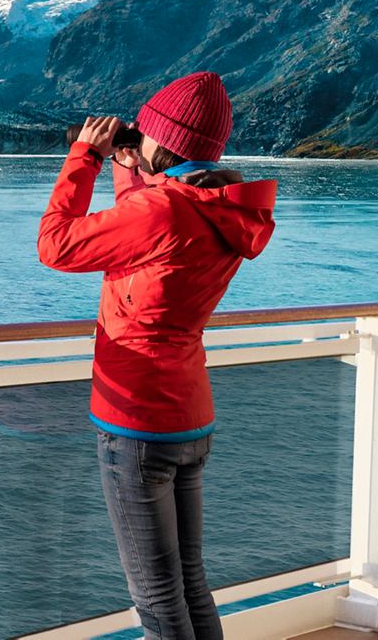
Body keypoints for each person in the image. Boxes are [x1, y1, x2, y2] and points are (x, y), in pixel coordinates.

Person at [36, 70, 277, 640]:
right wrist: (131, 163)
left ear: (164, 140)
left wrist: (84, 158)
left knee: (157, 599)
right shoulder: (216, 206)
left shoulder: (165, 211)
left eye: (146, 131)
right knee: (189, 583)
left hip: (137, 424)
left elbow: (56, 245)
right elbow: (150, 228)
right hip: (189, 418)